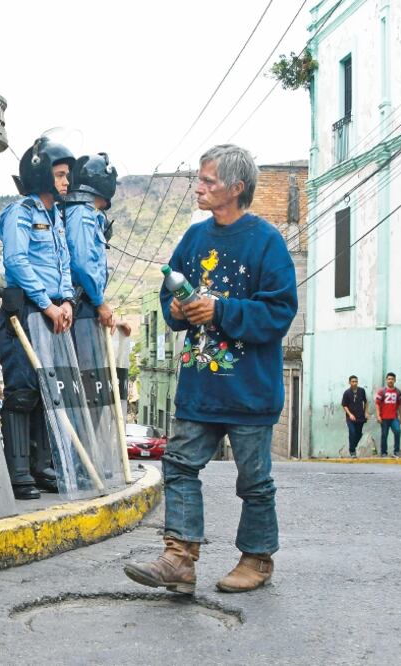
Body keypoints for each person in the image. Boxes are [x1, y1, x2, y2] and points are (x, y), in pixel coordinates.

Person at [123, 144, 297, 594]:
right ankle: (179, 558)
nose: (199, 188)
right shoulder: (195, 239)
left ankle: (257, 559)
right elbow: (169, 299)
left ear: (236, 188)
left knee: (254, 481)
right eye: (199, 180)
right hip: (200, 387)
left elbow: (279, 313)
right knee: (179, 465)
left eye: (208, 181)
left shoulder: (267, 242)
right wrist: (181, 311)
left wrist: (219, 311)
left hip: (250, 390)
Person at [0, 136, 75, 499]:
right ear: (41, 174)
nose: (66, 182)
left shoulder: (57, 216)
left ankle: (42, 466)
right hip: (26, 309)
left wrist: (68, 301)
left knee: (47, 390)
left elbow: (65, 264)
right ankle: (18, 469)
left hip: (55, 311)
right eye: (60, 175)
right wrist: (46, 303)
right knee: (23, 390)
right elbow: (17, 261)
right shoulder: (20, 212)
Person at [64, 153, 117, 329]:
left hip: (84, 302)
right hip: (80, 303)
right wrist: (99, 302)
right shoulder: (82, 213)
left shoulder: (87, 212)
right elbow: (82, 262)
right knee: (84, 357)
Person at [375, 372, 401, 457]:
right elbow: (377, 404)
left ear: (395, 380)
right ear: (386, 380)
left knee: (397, 431)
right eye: (389, 379)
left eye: (392, 379)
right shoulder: (381, 391)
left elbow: (399, 405)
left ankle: (396, 451)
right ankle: (384, 452)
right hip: (384, 418)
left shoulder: (398, 392)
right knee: (384, 435)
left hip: (394, 417)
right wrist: (378, 415)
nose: (390, 380)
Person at [341, 375, 367, 458]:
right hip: (350, 418)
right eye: (353, 381)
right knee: (352, 432)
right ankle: (352, 451)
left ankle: (353, 446)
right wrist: (350, 414)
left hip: (360, 416)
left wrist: (366, 412)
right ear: (349, 382)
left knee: (359, 434)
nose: (354, 383)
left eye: (356, 381)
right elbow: (344, 405)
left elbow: (366, 402)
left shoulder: (362, 391)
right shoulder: (347, 393)